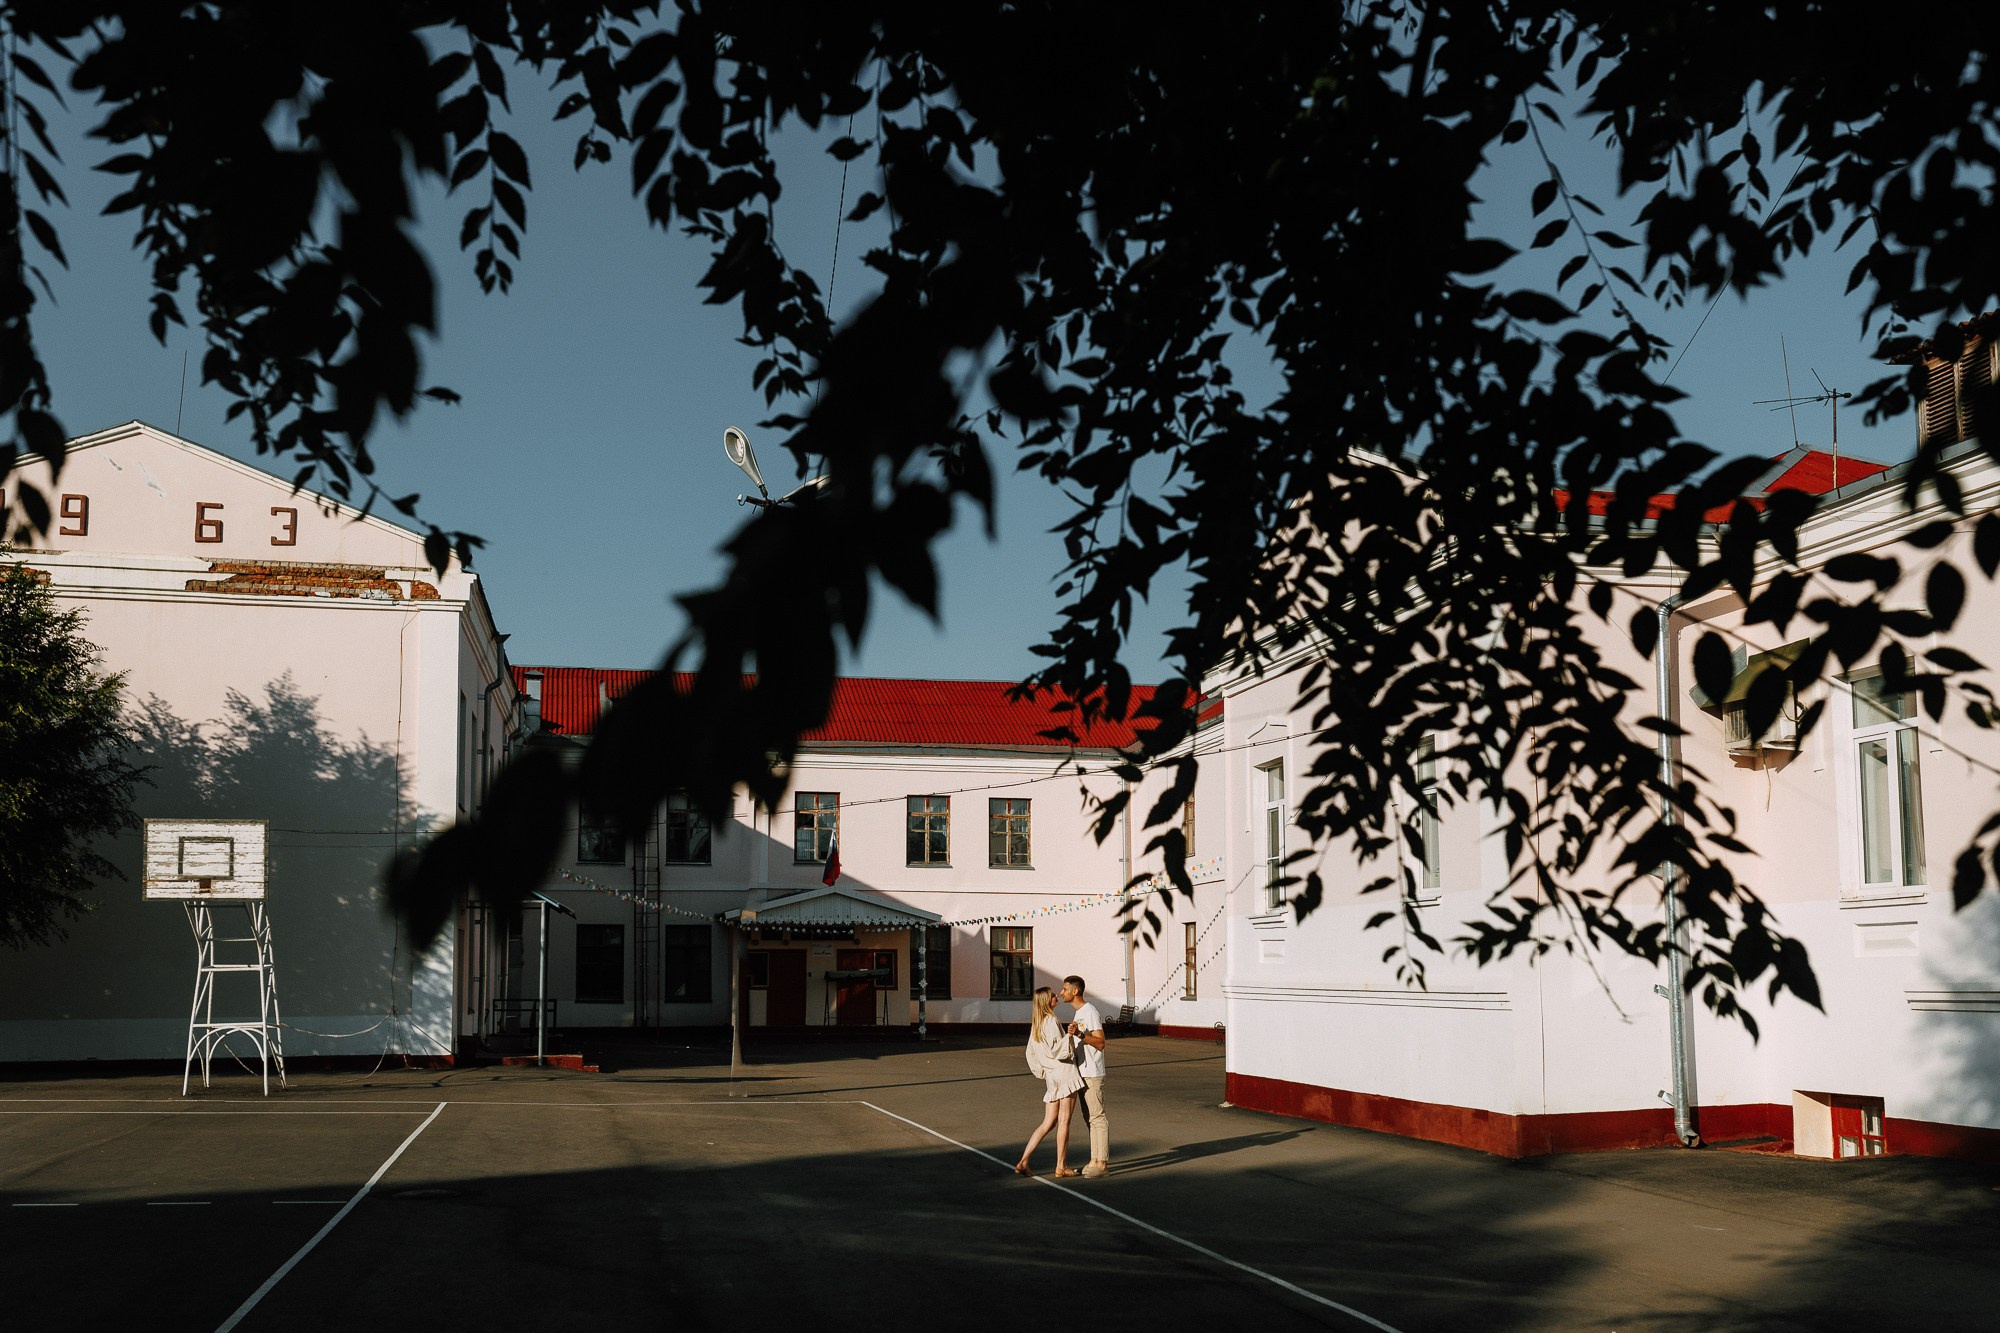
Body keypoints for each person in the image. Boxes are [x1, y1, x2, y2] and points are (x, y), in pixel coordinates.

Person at [1016, 985, 1084, 1178]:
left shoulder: (1036, 1024)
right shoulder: (1052, 1021)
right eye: (1053, 995)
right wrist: (1070, 1036)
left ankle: (1023, 1161)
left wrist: (1043, 1071)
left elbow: (1030, 1053)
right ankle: (1061, 1166)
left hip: (1052, 1076)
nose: (1057, 996)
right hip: (1064, 1072)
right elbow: (1058, 1050)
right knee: (1064, 1121)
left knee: (1048, 1122)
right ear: (1047, 1001)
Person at [1061, 974, 1109, 1178]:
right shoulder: (1079, 1013)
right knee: (1089, 1117)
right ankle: (1093, 1160)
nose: (1061, 992)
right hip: (1082, 1073)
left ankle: (1102, 1164)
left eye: (1064, 989)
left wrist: (1080, 1035)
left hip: (1093, 1073)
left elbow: (1101, 1042)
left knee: (1097, 1117)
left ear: (1075, 991)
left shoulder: (1090, 1012)